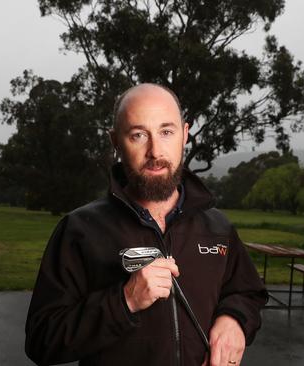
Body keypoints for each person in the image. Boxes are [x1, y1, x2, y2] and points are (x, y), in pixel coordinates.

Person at [25, 83, 267, 366]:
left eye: (166, 132)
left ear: (185, 134)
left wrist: (234, 320)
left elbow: (248, 293)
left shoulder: (218, 227)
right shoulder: (80, 230)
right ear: (116, 141)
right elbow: (42, 340)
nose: (155, 151)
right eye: (138, 135)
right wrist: (124, 301)